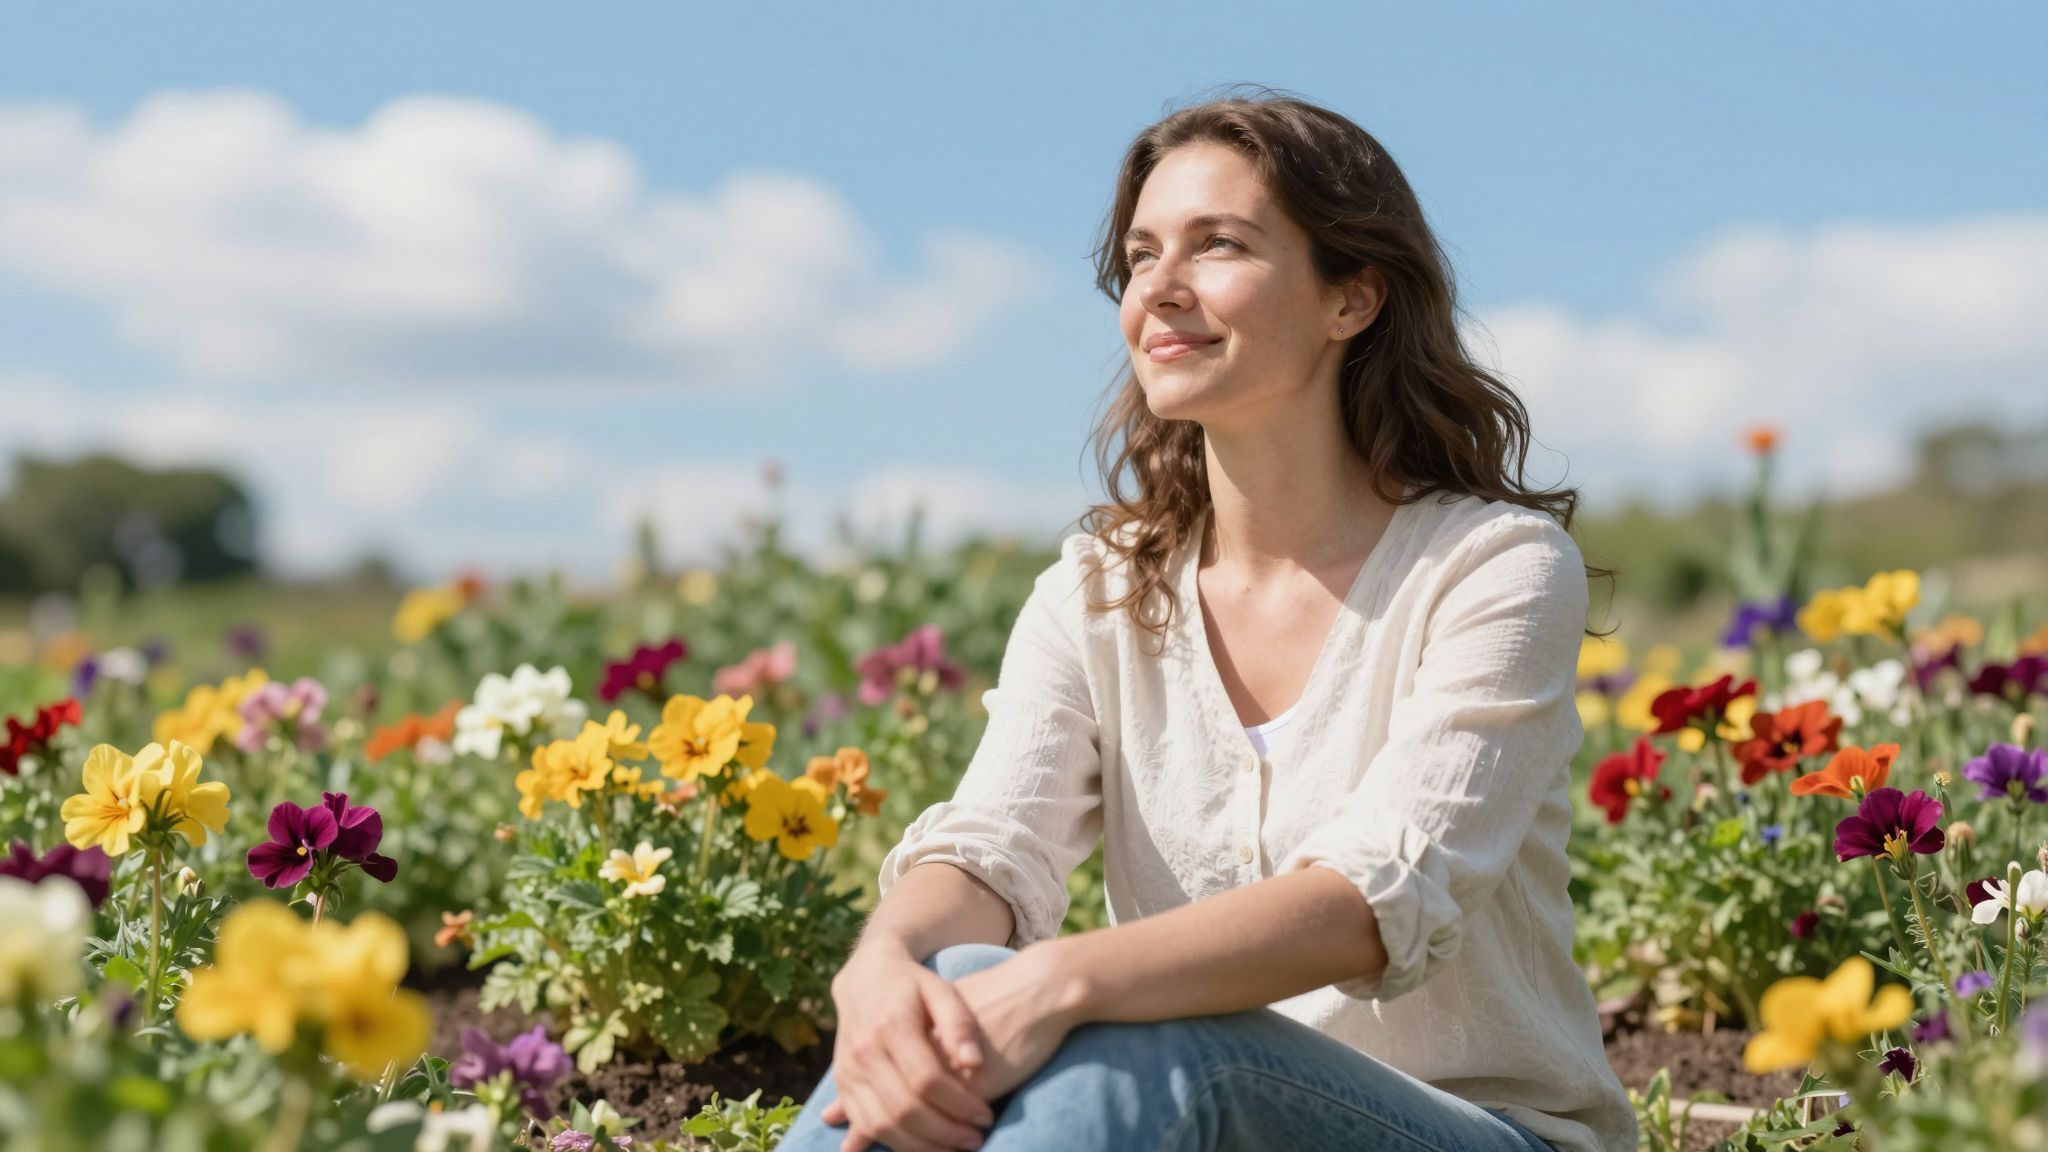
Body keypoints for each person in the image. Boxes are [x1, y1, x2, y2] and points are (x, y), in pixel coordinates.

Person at [778, 86, 1637, 1152]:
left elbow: (1371, 897)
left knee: (1130, 1039)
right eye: (1139, 257)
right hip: (1167, 1111)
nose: (1160, 291)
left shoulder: (1489, 570)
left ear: (1351, 297)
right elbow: (994, 850)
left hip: (1479, 1132)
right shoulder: (1099, 588)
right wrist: (878, 969)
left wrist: (1064, 978)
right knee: (946, 982)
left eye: (1216, 245)